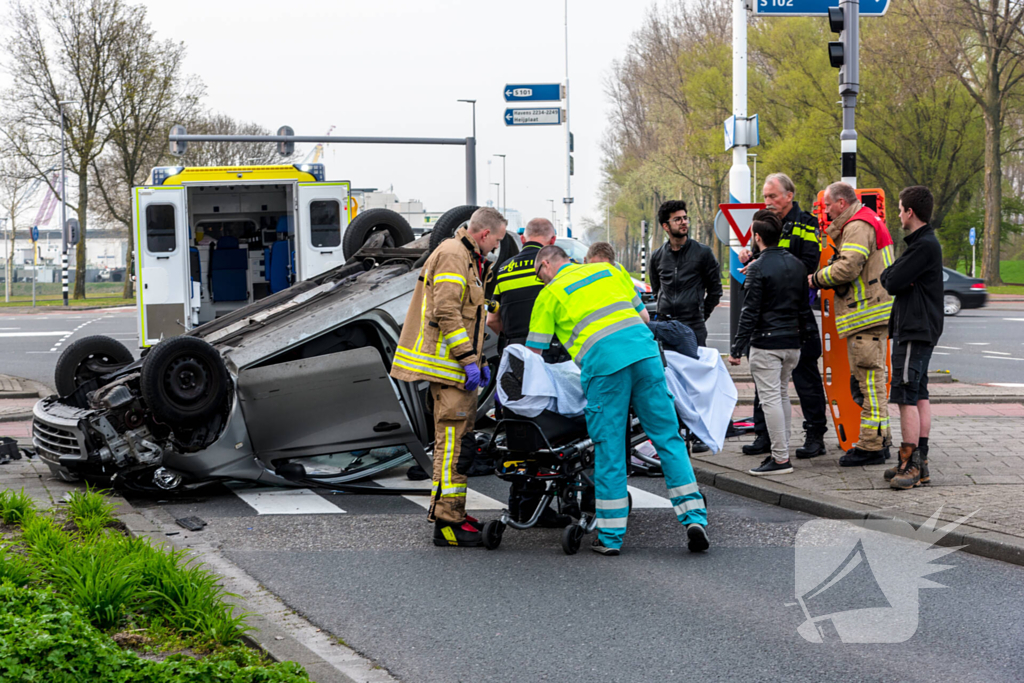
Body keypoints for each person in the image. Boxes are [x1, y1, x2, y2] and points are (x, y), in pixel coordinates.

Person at [527, 245, 709, 556]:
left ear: (546, 265)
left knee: (609, 449)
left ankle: (610, 537)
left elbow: (532, 355)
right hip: (646, 355)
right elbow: (644, 315)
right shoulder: (609, 270)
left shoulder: (550, 293)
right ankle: (694, 518)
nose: (540, 280)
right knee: (667, 438)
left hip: (605, 367)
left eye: (538, 275)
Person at [391, 207, 507, 547]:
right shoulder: (455, 255)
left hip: (457, 371)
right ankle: (447, 524)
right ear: (484, 234)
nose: (497, 247)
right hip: (451, 369)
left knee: (460, 445)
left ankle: (452, 512)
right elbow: (446, 312)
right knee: (452, 449)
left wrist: (478, 360)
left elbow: (470, 316)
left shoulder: (468, 259)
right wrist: (470, 360)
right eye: (497, 241)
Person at [486, 218, 571, 527]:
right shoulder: (552, 268)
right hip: (547, 358)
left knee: (517, 433)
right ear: (552, 242)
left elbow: (493, 320)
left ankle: (520, 503)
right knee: (552, 433)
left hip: (512, 361)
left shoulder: (503, 268)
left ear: (523, 238)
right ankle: (550, 503)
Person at [738, 174, 829, 460]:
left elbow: (808, 264)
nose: (767, 202)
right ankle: (765, 435)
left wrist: (770, 265)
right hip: (770, 314)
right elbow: (759, 256)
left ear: (789, 195)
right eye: (765, 196)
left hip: (794, 313)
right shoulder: (767, 221)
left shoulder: (806, 223)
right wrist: (749, 259)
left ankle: (815, 435)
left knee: (806, 377)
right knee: (764, 381)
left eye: (772, 196)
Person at [810, 182, 895, 467]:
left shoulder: (858, 226)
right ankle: (881, 440)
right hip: (872, 314)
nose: (826, 211)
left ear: (842, 204)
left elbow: (848, 268)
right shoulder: (868, 220)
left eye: (828, 206)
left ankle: (870, 446)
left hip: (865, 315)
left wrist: (817, 278)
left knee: (869, 383)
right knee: (873, 383)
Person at [729, 211, 812, 475]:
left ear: (757, 237)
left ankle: (779, 459)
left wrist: (737, 349)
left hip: (767, 343)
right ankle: (783, 451)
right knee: (782, 394)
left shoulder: (757, 268)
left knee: (770, 400)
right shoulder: (798, 265)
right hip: (792, 343)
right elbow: (803, 305)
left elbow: (749, 311)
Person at [880, 186, 943, 489]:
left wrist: (897, 277)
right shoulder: (924, 244)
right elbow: (896, 276)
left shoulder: (922, 247)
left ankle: (910, 463)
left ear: (910, 212)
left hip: (914, 328)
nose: (898, 213)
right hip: (921, 327)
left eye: (900, 208)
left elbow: (890, 280)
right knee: (919, 393)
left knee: (905, 393)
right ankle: (922, 461)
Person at [648, 200, 722, 347]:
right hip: (665, 327)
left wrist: (700, 316)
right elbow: (657, 290)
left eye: (685, 218)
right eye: (677, 219)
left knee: (695, 369)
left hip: (693, 326)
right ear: (665, 226)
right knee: (667, 369)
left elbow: (715, 291)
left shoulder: (703, 253)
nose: (683, 222)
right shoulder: (657, 256)